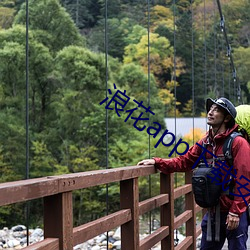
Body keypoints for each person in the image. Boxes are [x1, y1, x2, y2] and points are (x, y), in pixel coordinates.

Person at [137, 97, 250, 250]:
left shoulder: (238, 143)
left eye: (216, 110)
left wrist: (236, 212)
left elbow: (245, 180)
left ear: (227, 118)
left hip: (233, 211)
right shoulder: (205, 143)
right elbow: (185, 161)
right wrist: (158, 162)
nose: (210, 112)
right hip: (213, 211)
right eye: (210, 109)